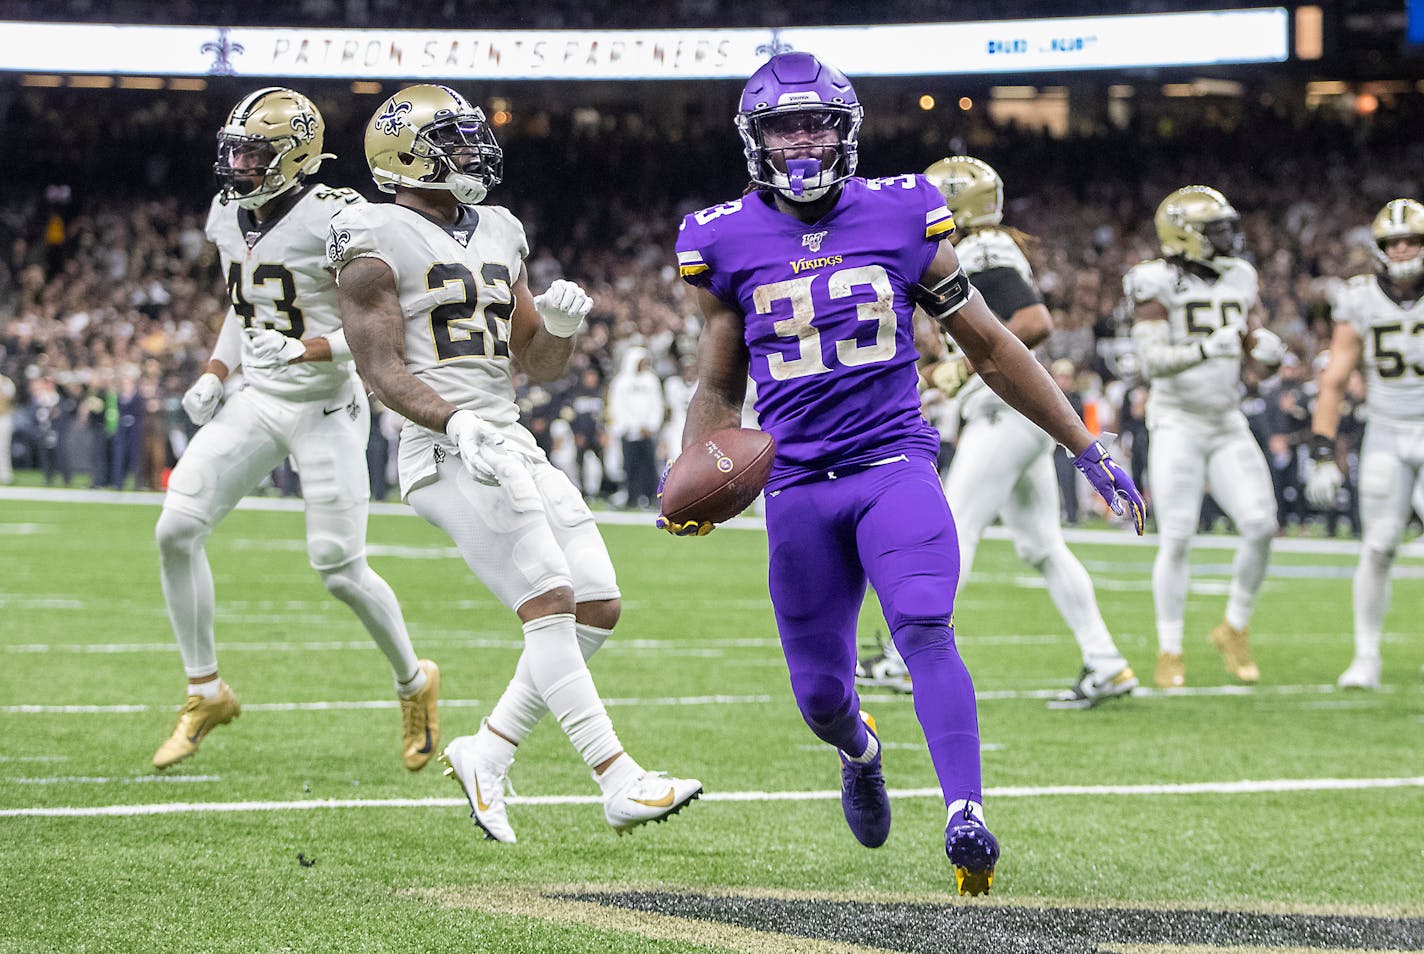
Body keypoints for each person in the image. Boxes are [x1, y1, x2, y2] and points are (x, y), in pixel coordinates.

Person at [665, 53, 1144, 895]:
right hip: (798, 485)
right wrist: (698, 466)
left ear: (847, 131)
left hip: (893, 463)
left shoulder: (903, 211)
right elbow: (717, 384)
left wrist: (1086, 446)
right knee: (820, 695)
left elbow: (993, 345)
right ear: (756, 140)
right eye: (784, 126)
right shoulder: (721, 236)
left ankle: (967, 814)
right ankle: (861, 750)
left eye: (817, 123)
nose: (802, 142)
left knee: (925, 623)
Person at [330, 84, 701, 841]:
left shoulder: (500, 228)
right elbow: (380, 367)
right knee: (550, 601)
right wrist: (454, 418)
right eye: (453, 140)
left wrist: (560, 328)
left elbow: (540, 362)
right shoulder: (369, 234)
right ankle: (618, 777)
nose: (473, 152)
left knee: (597, 603)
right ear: (406, 156)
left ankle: (486, 753)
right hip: (442, 445)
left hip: (508, 435)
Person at [152, 87, 438, 772]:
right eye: (236, 150)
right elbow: (243, 302)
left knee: (338, 569)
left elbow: (384, 322)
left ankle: (414, 681)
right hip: (258, 396)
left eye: (256, 152)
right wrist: (217, 371)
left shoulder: (336, 219)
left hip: (326, 406)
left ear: (298, 156)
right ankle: (205, 690)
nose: (241, 164)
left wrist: (310, 349)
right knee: (175, 528)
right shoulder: (228, 211)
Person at [856, 156, 1137, 709]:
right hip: (1012, 414)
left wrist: (961, 369)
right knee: (1042, 546)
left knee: (953, 530)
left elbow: (1033, 322)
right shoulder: (984, 246)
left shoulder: (981, 248)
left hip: (1003, 412)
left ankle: (902, 658)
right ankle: (1105, 662)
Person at [1125, 186, 1285, 689]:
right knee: (1177, 535)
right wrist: (1207, 348)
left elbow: (1250, 347)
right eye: (1214, 230)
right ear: (1185, 236)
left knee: (1261, 524)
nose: (1228, 237)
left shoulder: (1240, 275)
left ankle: (1234, 626)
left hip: (1226, 417)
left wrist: (1267, 353)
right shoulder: (1154, 281)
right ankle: (1170, 648)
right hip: (1176, 420)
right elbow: (1152, 362)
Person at [1306, 198, 1424, 689]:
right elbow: (1335, 378)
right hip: (1386, 430)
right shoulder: (1358, 298)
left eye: (1411, 240)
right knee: (1377, 547)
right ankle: (1367, 657)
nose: (1401, 249)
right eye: (1392, 242)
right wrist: (1321, 449)